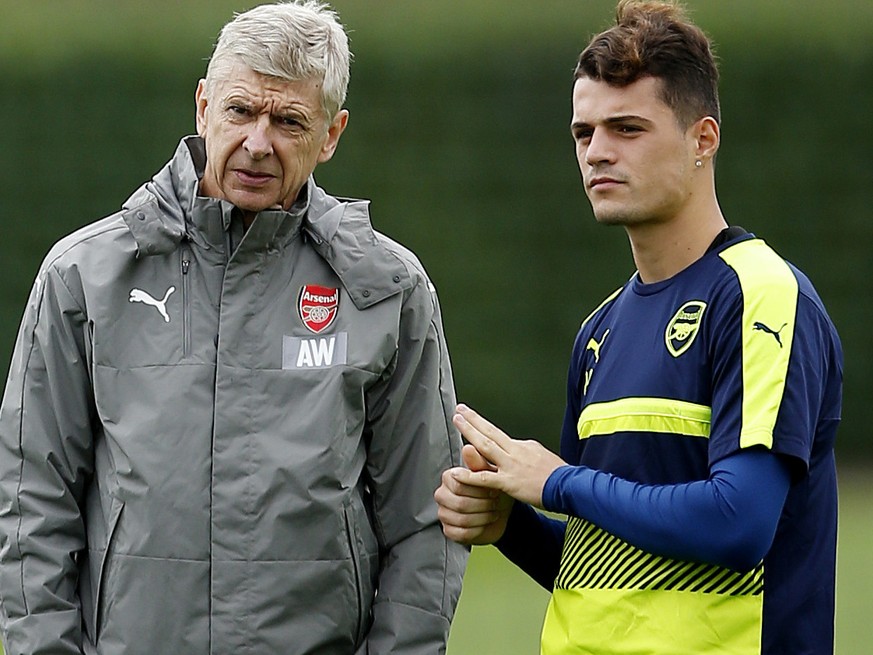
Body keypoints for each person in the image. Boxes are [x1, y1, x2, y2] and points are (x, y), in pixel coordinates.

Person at [0, 2, 467, 654]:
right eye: (240, 111)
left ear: (331, 134)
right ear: (202, 106)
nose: (256, 141)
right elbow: (31, 500)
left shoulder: (387, 288)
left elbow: (427, 518)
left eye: (288, 120)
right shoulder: (84, 273)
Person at [434, 1, 842, 654]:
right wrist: (511, 525)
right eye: (582, 132)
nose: (596, 152)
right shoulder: (598, 330)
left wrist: (557, 481)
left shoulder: (759, 293)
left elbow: (737, 523)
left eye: (626, 128)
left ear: (701, 139)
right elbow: (602, 564)